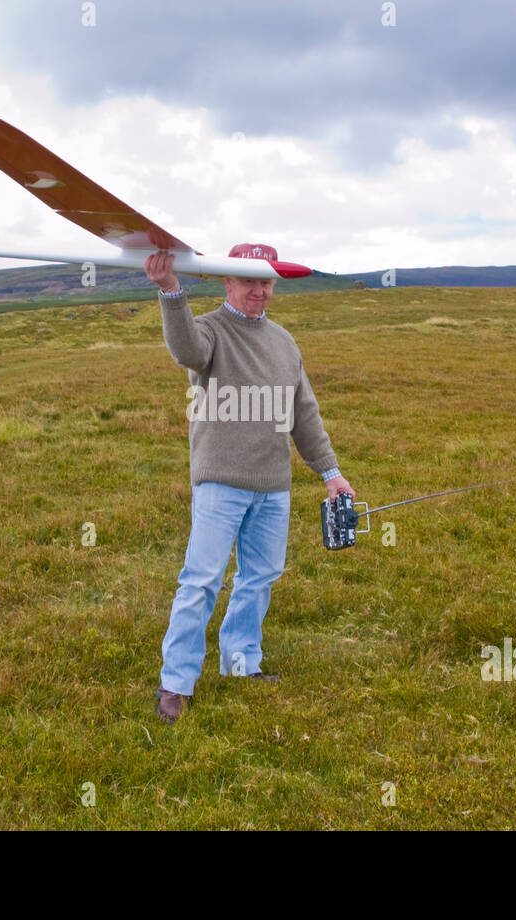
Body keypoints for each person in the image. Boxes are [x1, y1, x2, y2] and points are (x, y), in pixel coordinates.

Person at [144, 243, 354, 724]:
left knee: (259, 578)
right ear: (227, 282)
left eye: (266, 282)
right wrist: (171, 291)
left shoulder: (284, 342)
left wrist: (330, 473)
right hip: (220, 480)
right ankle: (176, 684)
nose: (259, 290)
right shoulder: (210, 331)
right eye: (249, 281)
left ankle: (241, 663)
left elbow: (304, 415)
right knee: (201, 581)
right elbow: (185, 351)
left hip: (273, 485)